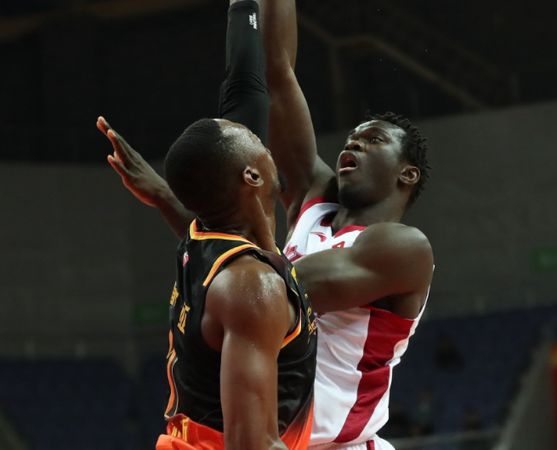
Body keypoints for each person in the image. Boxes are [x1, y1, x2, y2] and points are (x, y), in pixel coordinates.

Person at [100, 0, 434, 448]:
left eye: (372, 140)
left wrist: (186, 207)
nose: (353, 143)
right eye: (351, 137)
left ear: (406, 174)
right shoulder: (314, 199)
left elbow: (270, 289)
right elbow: (278, 74)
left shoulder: (404, 249)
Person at [100, 2, 317, 449]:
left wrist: (242, 6)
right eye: (256, 140)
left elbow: (245, 89)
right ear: (251, 177)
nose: (265, 139)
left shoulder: (204, 238)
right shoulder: (251, 286)